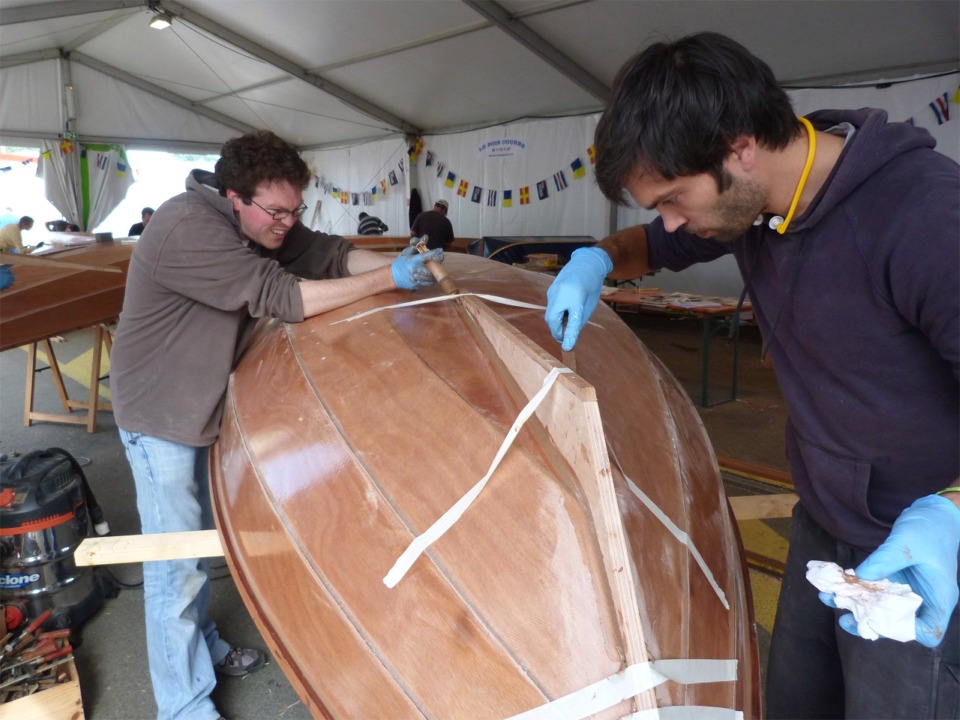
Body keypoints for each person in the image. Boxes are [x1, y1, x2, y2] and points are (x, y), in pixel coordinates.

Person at [544, 33, 958, 720]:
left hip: (921, 552)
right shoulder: (750, 205)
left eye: (674, 198)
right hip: (822, 522)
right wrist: (595, 260)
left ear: (739, 147)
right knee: (795, 701)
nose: (674, 221)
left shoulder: (927, 218)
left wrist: (953, 512)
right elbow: (648, 243)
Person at [110, 129, 443, 720]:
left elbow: (329, 253)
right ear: (234, 197)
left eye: (296, 210)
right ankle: (182, 707)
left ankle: (202, 648)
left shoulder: (261, 222)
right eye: (277, 212)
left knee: (199, 545)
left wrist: (410, 265)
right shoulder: (187, 226)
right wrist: (387, 281)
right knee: (175, 565)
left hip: (202, 404)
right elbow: (281, 295)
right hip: (160, 414)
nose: (288, 224)